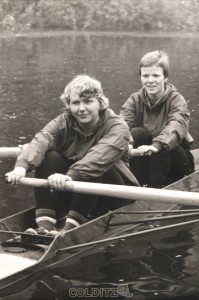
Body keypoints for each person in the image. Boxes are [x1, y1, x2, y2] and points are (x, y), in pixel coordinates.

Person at [5, 75, 139, 236]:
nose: (81, 108)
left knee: (94, 163)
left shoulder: (118, 126)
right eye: (76, 103)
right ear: (68, 106)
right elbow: (42, 139)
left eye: (88, 102)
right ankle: (45, 227)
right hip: (78, 190)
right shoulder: (64, 121)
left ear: (100, 103)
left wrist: (69, 176)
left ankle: (69, 230)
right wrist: (21, 167)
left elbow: (97, 158)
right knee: (50, 157)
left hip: (114, 196)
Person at [120, 50, 194, 188]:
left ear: (165, 78)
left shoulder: (177, 100)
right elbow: (121, 125)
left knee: (158, 134)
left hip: (176, 163)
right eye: (145, 75)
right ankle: (137, 188)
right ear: (140, 77)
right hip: (147, 163)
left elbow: (176, 126)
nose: (150, 81)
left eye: (155, 75)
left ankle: (155, 191)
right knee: (136, 133)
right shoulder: (134, 100)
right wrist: (127, 143)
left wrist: (156, 146)